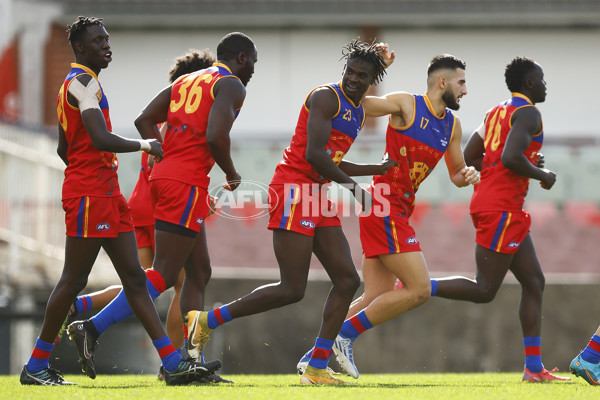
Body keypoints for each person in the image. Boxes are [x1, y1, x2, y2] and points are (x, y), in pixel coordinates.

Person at [20, 17, 220, 386]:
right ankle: (35, 366)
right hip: (91, 195)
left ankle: (172, 363)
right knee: (73, 279)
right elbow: (97, 137)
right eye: (98, 41)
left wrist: (91, 171)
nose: (106, 46)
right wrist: (144, 144)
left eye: (107, 39)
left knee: (137, 280)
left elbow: (68, 146)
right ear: (80, 48)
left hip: (107, 192)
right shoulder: (81, 83)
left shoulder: (86, 84)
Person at [183, 38, 396, 385]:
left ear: (373, 80)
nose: (353, 79)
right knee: (291, 288)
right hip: (294, 188)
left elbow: (331, 158)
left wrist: (374, 168)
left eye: (362, 75)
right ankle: (206, 321)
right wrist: (357, 190)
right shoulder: (327, 97)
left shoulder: (357, 108)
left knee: (346, 279)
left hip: (317, 190)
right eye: (350, 72)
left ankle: (315, 368)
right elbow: (313, 154)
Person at [66, 32, 257, 383]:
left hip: (170, 180)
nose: (253, 72)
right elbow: (216, 135)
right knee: (165, 274)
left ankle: (191, 359)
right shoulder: (231, 85)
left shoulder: (186, 79)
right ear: (241, 58)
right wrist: (230, 173)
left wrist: (168, 154)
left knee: (199, 273)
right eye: (253, 63)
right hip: (184, 183)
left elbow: (143, 120)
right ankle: (92, 326)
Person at [297, 53, 480, 379]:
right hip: (383, 205)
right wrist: (373, 69)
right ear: (443, 82)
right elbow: (357, 103)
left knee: (376, 294)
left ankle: (316, 356)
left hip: (397, 210)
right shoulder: (406, 105)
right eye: (461, 82)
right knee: (420, 289)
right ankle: (344, 336)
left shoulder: (452, 125)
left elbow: (455, 173)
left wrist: (466, 175)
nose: (465, 90)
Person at [64, 49, 217, 354]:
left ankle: (79, 305)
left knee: (141, 282)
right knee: (179, 281)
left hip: (142, 206)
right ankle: (177, 358)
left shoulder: (166, 123)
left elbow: (155, 165)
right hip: (168, 203)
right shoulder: (185, 127)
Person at [430, 57, 570, 382]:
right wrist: (542, 173)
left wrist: (525, 162)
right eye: (542, 79)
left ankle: (534, 369)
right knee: (484, 289)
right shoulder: (530, 113)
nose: (545, 84)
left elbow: (470, 158)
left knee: (534, 282)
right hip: (501, 208)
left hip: (498, 205)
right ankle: (423, 284)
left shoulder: (496, 112)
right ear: (530, 83)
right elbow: (509, 156)